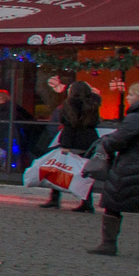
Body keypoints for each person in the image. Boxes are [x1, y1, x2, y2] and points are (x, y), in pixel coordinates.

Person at [91, 82, 139, 256]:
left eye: (131, 94)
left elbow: (118, 141)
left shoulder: (137, 118)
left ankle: (108, 243)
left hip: (131, 167)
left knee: (113, 205)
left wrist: (105, 142)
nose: (128, 98)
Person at [43, 73, 102, 213]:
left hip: (73, 140)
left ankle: (55, 197)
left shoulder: (69, 105)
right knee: (85, 171)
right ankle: (87, 201)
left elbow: (69, 126)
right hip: (89, 140)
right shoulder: (93, 105)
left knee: (59, 168)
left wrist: (65, 145)